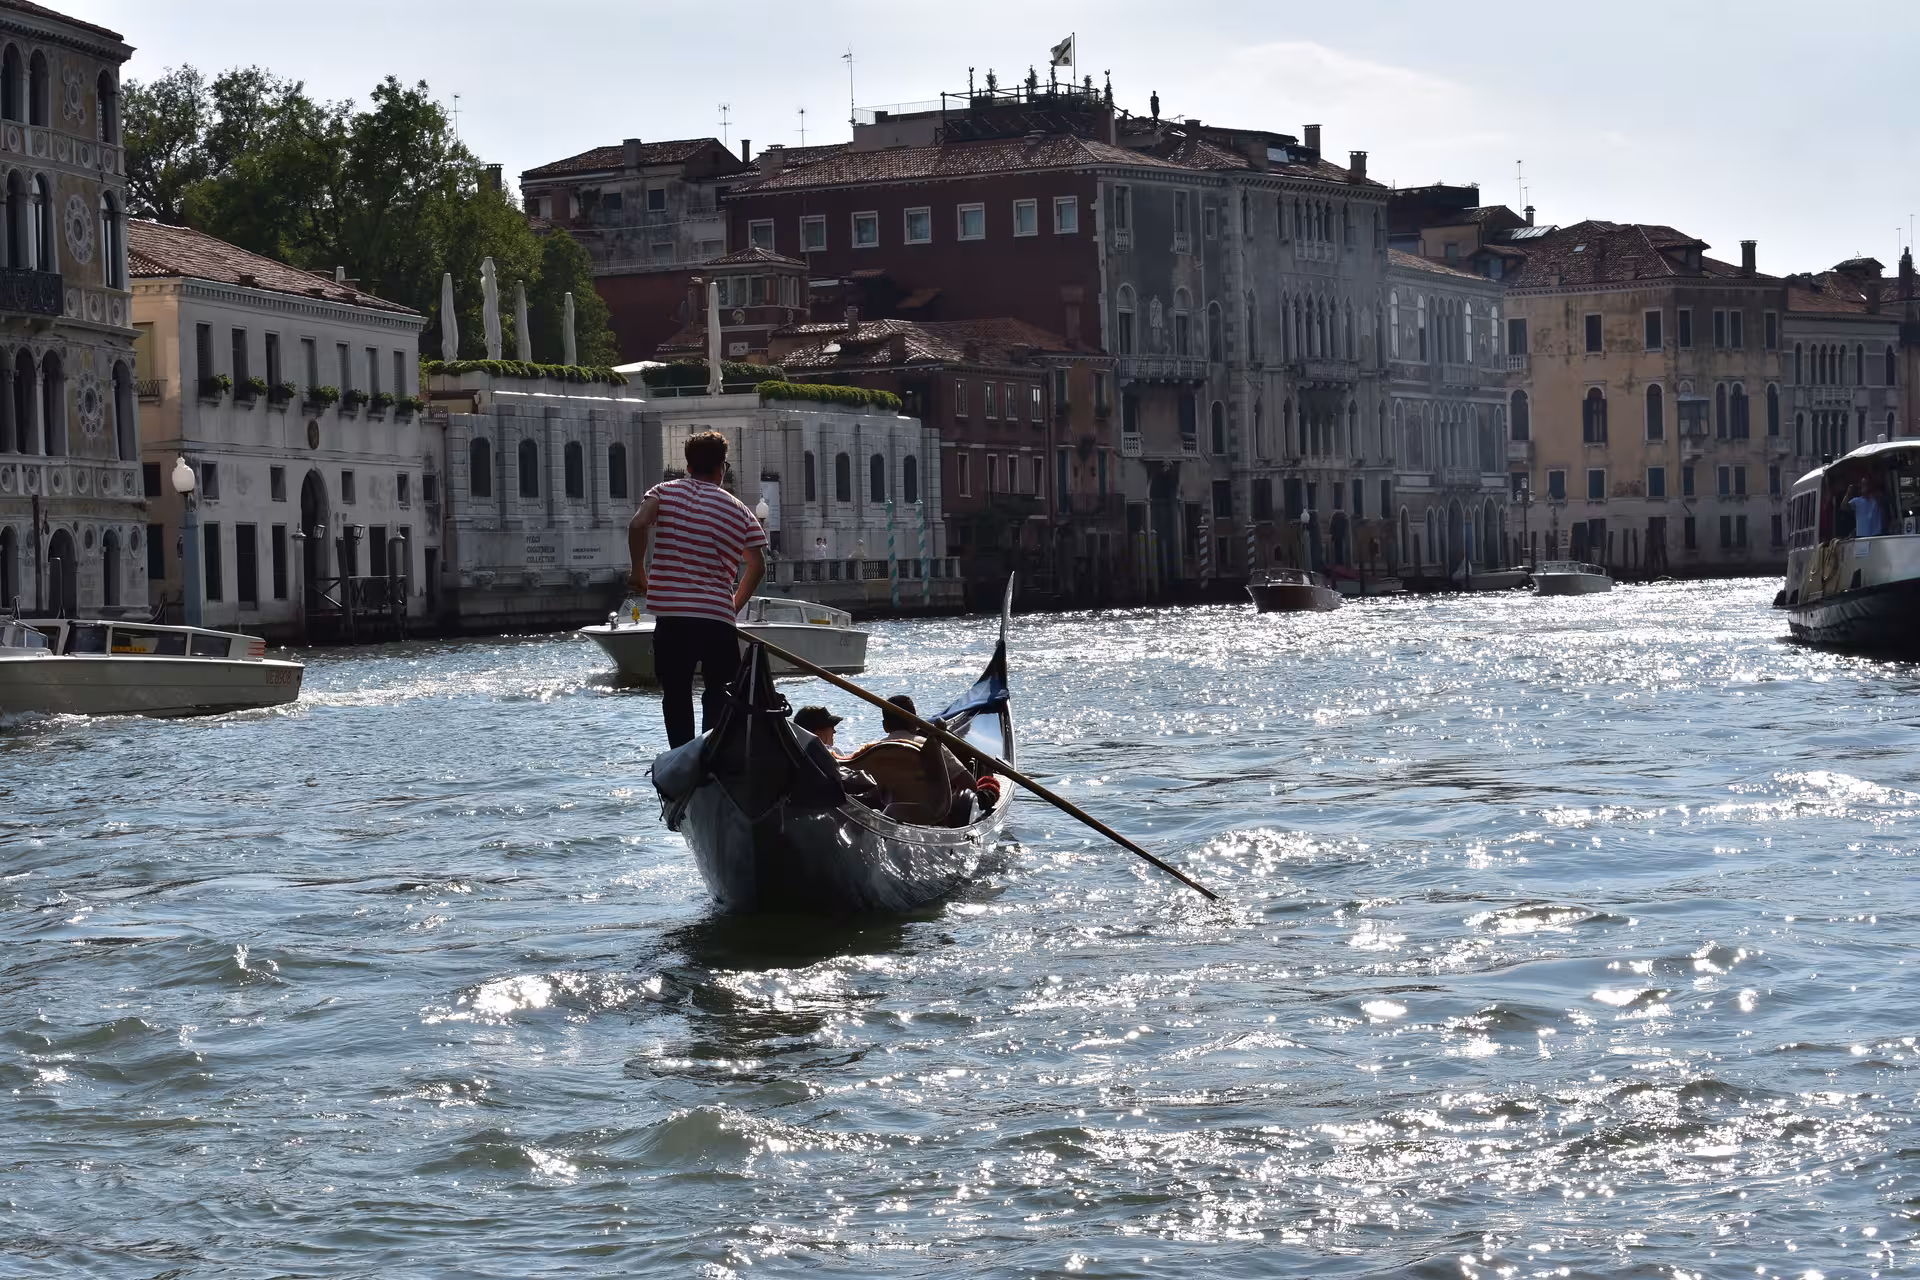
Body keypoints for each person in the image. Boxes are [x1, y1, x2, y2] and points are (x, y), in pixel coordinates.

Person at [628, 431, 767, 747]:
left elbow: (637, 525)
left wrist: (638, 570)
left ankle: (682, 756)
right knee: (718, 693)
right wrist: (733, 605)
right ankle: (710, 754)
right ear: (723, 468)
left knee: (676, 693)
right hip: (717, 619)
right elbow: (757, 565)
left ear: (688, 466)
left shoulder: (663, 493)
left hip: (673, 617)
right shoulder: (740, 511)